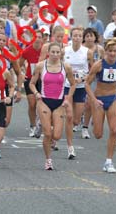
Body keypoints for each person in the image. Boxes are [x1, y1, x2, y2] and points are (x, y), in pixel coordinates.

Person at [85, 39, 116, 173]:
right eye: (110, 51)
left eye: (115, 51)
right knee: (98, 134)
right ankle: (95, 122)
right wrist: (93, 100)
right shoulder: (98, 65)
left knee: (113, 130)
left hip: (113, 99)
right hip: (99, 99)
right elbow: (87, 84)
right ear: (106, 51)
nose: (112, 54)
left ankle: (109, 162)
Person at [29, 42, 75, 170]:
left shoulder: (66, 67)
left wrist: (67, 98)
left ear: (61, 53)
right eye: (53, 52)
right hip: (44, 101)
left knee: (56, 136)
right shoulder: (40, 66)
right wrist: (36, 93)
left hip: (59, 102)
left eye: (57, 52)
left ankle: (41, 125)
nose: (55, 55)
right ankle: (48, 160)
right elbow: (32, 83)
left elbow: (73, 84)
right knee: (48, 133)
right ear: (48, 52)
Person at [18, 30, 44, 137]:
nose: (37, 39)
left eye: (39, 37)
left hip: (42, 80)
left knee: (41, 104)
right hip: (30, 78)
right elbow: (18, 64)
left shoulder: (45, 50)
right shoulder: (27, 50)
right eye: (35, 37)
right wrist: (21, 73)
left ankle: (40, 123)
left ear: (42, 39)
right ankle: (33, 126)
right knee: (32, 104)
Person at [81, 28, 104, 139]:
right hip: (83, 78)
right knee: (83, 103)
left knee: (90, 103)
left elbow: (104, 62)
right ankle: (81, 119)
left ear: (95, 37)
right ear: (84, 38)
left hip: (96, 78)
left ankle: (85, 127)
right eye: (87, 36)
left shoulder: (100, 49)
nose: (89, 38)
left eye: (91, 36)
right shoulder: (82, 49)